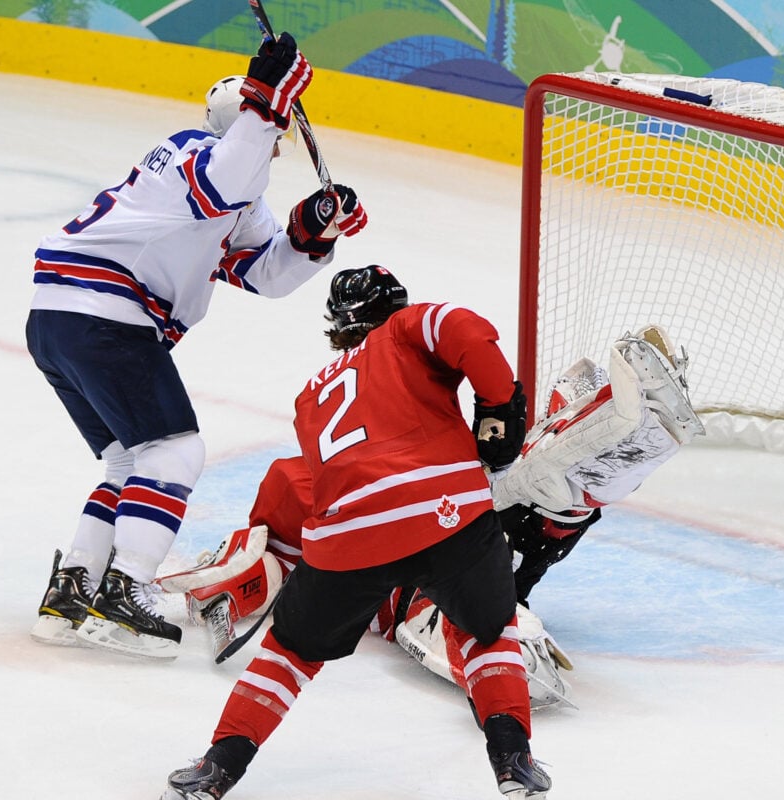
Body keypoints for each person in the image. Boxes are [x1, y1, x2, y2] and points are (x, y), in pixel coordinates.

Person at [26, 31, 369, 660]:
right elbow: (225, 177)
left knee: (132, 464)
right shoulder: (192, 156)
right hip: (104, 314)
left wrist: (312, 230)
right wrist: (267, 100)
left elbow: (264, 272)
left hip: (63, 316)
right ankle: (125, 594)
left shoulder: (234, 191)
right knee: (176, 452)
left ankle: (75, 587)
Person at [158, 321, 703, 710]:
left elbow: (261, 560)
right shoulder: (399, 418)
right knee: (555, 505)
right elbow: (262, 559)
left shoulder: (324, 454)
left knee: (550, 504)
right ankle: (640, 424)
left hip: (448, 563)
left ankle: (631, 418)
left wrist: (225, 582)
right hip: (447, 568)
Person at [162, 265, 553, 800]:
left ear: (337, 326)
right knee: (490, 631)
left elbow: (319, 491)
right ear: (395, 307)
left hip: (347, 539)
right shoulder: (405, 330)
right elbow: (466, 328)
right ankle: (513, 760)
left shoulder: (310, 396)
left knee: (290, 653)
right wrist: (498, 407)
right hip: (448, 515)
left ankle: (217, 768)